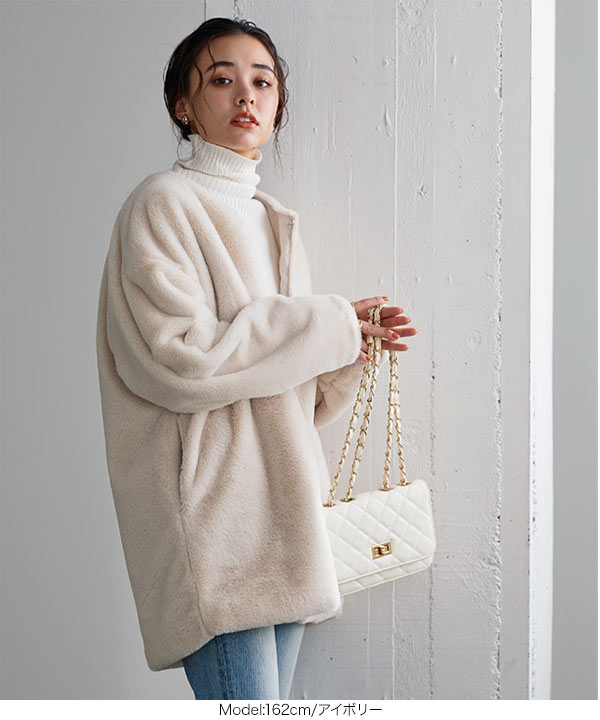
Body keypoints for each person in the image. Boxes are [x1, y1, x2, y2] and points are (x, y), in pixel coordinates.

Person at [96, 17, 418, 701]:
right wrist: (327, 322)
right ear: (183, 106)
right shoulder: (162, 205)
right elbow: (182, 362)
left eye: (263, 81)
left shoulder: (273, 220)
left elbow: (288, 395)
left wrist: (351, 347)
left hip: (287, 519)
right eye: (221, 78)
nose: (246, 94)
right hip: (213, 521)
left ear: (278, 106)